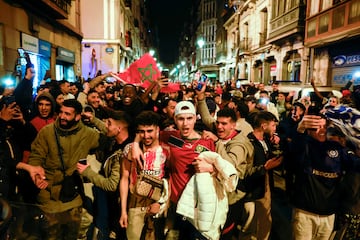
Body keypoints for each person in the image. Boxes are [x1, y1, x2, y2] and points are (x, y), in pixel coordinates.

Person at [28, 99, 101, 239]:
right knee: (51, 235)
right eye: (61, 112)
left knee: (71, 235)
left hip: (72, 196)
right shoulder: (47, 132)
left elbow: (112, 136)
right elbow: (35, 157)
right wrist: (36, 176)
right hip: (49, 195)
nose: (62, 116)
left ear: (78, 116)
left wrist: (94, 120)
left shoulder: (88, 134)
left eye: (67, 114)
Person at [290, 110, 360, 239]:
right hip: (305, 213)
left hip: (329, 213)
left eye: (324, 126)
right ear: (309, 129)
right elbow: (294, 153)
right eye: (316, 127)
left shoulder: (336, 147)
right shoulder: (304, 145)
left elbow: (355, 164)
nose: (321, 130)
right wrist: (300, 129)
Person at [77, 110, 133, 239]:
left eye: (109, 123)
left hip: (112, 203)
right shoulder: (117, 138)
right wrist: (93, 119)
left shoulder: (123, 154)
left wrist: (87, 172)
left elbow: (111, 185)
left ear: (119, 128)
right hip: (105, 198)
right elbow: (107, 129)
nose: (105, 125)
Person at [119, 111, 169, 240]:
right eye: (142, 131)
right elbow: (124, 179)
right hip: (135, 204)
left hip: (158, 204)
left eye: (149, 131)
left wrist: (161, 203)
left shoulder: (167, 150)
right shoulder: (130, 150)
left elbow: (170, 180)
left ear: (157, 129)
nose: (146, 136)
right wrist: (123, 211)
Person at [243, 111, 283, 239]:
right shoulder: (249, 143)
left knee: (265, 224)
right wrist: (264, 168)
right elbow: (245, 170)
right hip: (253, 193)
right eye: (273, 126)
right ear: (263, 126)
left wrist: (276, 144)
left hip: (265, 189)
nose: (275, 129)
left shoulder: (266, 141)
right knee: (251, 228)